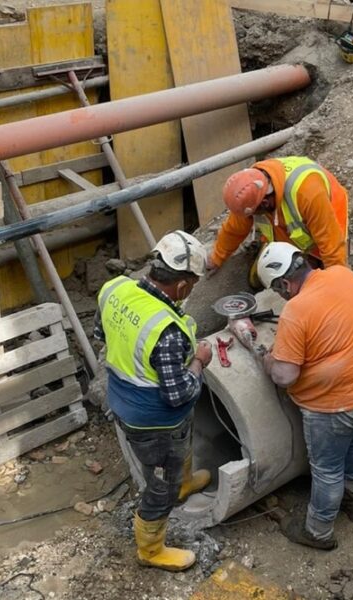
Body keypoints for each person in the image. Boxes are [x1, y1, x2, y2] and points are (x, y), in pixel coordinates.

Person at [255, 242, 353, 550]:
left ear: (283, 283)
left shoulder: (297, 309)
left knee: (326, 468)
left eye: (279, 291)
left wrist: (268, 358)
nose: (282, 297)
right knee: (349, 438)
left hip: (341, 405)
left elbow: (285, 376)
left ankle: (318, 531)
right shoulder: (341, 274)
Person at [95, 230, 214, 571]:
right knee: (161, 485)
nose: (190, 291)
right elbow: (178, 395)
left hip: (123, 395)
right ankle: (150, 550)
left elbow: (101, 334)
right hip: (153, 420)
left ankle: (184, 483)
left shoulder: (114, 288)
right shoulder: (167, 331)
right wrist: (198, 361)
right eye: (192, 284)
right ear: (181, 286)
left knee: (180, 447)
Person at [207, 156, 349, 287]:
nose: (249, 219)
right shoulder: (251, 190)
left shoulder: (308, 193)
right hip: (288, 224)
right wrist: (216, 258)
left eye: (253, 214)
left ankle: (311, 261)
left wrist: (334, 284)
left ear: (264, 203)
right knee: (258, 280)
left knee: (313, 280)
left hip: (329, 213)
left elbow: (331, 247)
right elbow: (234, 229)